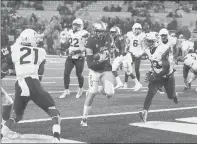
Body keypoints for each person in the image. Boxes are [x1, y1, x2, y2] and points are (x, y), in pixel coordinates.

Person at [1, 29, 61, 143]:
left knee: (15, 116)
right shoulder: (41, 52)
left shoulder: (14, 51)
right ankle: (56, 139)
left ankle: (1, 135)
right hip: (33, 83)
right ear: (31, 39)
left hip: (19, 85)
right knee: (54, 113)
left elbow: (3, 70)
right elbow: (40, 73)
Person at [139, 32, 179, 123]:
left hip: (168, 76)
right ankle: (144, 112)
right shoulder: (150, 50)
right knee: (150, 93)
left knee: (170, 96)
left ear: (156, 42)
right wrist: (150, 72)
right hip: (157, 75)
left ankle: (174, 94)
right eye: (147, 41)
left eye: (150, 41)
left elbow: (166, 69)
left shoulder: (163, 50)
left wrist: (155, 76)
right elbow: (154, 63)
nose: (147, 43)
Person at [80, 21, 115, 126]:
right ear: (94, 31)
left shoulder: (108, 38)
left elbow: (110, 48)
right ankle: (84, 119)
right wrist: (99, 59)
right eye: (99, 31)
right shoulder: (90, 42)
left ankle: (98, 89)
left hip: (105, 69)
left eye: (103, 31)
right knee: (92, 94)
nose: (102, 33)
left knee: (110, 93)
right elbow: (90, 64)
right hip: (95, 70)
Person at [60, 18, 89, 99]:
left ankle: (80, 89)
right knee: (66, 73)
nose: (75, 27)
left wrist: (76, 52)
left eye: (77, 25)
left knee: (79, 74)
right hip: (70, 56)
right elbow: (69, 43)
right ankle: (66, 90)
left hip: (79, 56)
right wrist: (63, 46)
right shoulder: (70, 32)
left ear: (81, 26)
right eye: (74, 25)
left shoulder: (84, 33)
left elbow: (86, 47)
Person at [110, 26, 142, 90]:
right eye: (111, 32)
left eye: (114, 32)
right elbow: (116, 48)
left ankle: (138, 84)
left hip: (125, 56)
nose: (112, 33)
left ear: (117, 32)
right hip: (120, 56)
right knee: (113, 69)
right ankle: (119, 83)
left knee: (128, 72)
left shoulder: (119, 37)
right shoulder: (115, 38)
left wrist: (123, 53)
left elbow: (123, 45)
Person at [124, 23, 146, 88]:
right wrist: (126, 51)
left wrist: (140, 53)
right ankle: (125, 82)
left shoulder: (142, 36)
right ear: (133, 29)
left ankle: (138, 83)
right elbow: (127, 44)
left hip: (138, 54)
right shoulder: (129, 34)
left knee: (136, 69)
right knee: (128, 68)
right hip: (131, 53)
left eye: (139, 29)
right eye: (137, 29)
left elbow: (144, 47)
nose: (138, 30)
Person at [1, 32, 14, 127]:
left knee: (8, 101)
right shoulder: (8, 48)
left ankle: (3, 125)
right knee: (8, 101)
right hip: (5, 67)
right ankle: (3, 125)